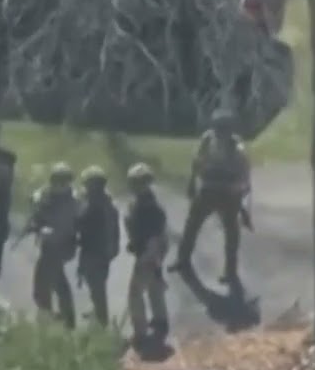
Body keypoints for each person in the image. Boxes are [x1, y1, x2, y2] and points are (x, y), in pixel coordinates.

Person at [169, 108, 252, 284]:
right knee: (191, 225)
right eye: (218, 127)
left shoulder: (237, 148)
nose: (220, 132)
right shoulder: (207, 139)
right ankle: (183, 260)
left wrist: (243, 206)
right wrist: (192, 182)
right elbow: (197, 162)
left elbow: (245, 178)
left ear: (230, 129)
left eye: (224, 128)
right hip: (207, 190)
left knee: (231, 234)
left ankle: (230, 272)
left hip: (228, 193)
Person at [26, 162, 79, 327]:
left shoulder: (72, 202)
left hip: (60, 247)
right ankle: (65, 320)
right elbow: (37, 204)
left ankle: (50, 320)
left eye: (63, 181)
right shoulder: (47, 195)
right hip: (50, 247)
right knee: (57, 282)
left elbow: (65, 226)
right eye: (56, 181)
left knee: (42, 285)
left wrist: (45, 229)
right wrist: (36, 223)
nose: (59, 185)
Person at [125, 162, 170, 340]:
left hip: (150, 252)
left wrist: (150, 257)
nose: (135, 186)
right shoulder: (141, 203)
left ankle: (140, 330)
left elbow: (154, 236)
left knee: (135, 293)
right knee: (154, 286)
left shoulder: (149, 209)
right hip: (151, 250)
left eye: (139, 182)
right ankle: (161, 320)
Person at [75, 165, 120, 326]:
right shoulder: (101, 203)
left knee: (97, 286)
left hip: (97, 251)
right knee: (93, 283)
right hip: (94, 250)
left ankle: (102, 320)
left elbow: (84, 222)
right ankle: (97, 310)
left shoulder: (99, 206)